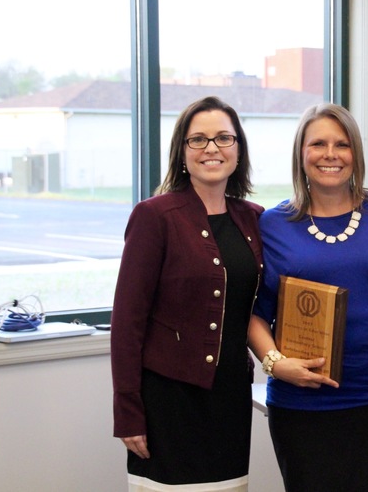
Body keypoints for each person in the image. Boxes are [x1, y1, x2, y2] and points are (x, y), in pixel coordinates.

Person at [248, 103, 368, 492]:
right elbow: (253, 314)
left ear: (356, 154)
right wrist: (275, 363)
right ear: (301, 154)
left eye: (342, 144)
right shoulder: (272, 224)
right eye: (318, 143)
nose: (330, 154)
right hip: (301, 406)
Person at [110, 96, 263, 492]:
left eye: (223, 138)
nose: (211, 148)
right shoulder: (154, 217)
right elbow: (127, 324)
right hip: (168, 405)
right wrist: (128, 412)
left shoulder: (255, 219)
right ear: (182, 152)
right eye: (198, 139)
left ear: (238, 150)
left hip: (230, 401)